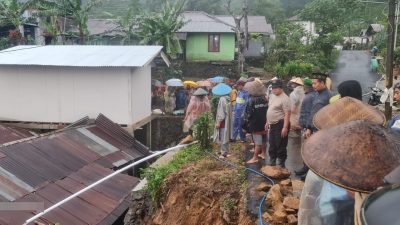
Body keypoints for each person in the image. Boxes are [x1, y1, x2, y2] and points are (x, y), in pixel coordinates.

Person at [296, 73, 332, 176]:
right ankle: (305, 169)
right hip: (312, 127)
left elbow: (323, 115)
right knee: (308, 149)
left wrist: (311, 128)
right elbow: (312, 112)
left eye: (315, 83)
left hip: (320, 129)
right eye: (312, 83)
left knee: (316, 152)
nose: (313, 86)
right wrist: (308, 127)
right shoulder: (316, 94)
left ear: (322, 83)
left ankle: (312, 173)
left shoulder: (329, 96)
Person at [266, 79, 291, 167]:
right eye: (273, 88)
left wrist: (285, 127)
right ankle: (272, 159)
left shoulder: (285, 98)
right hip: (272, 123)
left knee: (280, 144)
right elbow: (270, 109)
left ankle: (281, 162)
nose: (274, 90)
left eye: (276, 88)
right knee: (272, 143)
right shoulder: (272, 96)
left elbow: (287, 114)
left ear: (281, 88)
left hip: (281, 123)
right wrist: (267, 122)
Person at [244, 79, 268, 164]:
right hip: (265, 122)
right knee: (264, 139)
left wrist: (245, 125)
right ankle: (263, 154)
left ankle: (255, 158)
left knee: (257, 142)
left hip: (255, 124)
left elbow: (248, 114)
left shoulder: (251, 100)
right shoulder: (265, 98)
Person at [214, 88, 232, 159]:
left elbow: (221, 113)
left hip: (223, 122)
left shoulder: (222, 99)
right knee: (225, 136)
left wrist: (218, 122)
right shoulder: (228, 98)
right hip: (227, 121)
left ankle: (224, 153)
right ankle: (225, 151)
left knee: (223, 137)